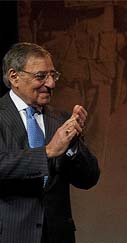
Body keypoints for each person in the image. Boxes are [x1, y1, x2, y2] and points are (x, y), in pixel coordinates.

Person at [0, 42, 100, 243]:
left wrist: (72, 147)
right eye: (41, 76)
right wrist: (47, 152)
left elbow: (89, 178)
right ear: (14, 77)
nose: (51, 83)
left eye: (53, 75)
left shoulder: (61, 120)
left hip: (58, 235)